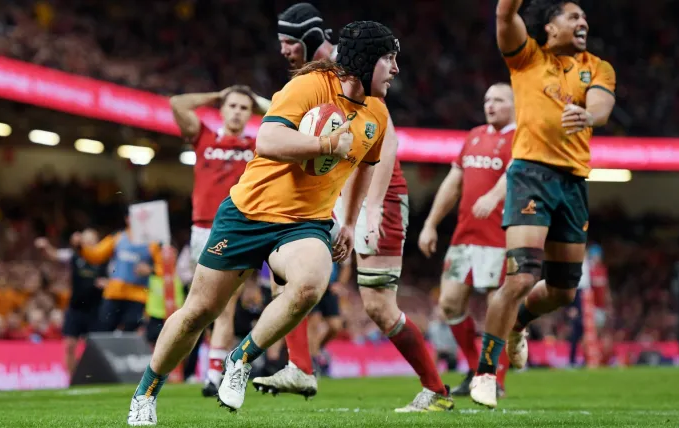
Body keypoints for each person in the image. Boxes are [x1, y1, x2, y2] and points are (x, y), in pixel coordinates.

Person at [127, 20, 399, 424]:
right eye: (389, 59)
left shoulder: (377, 112)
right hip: (247, 213)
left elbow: (365, 167)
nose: (395, 69)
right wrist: (327, 144)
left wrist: (347, 221)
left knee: (310, 283)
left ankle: (240, 359)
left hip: (304, 223)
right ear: (365, 60)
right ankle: (146, 392)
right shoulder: (309, 86)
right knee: (198, 312)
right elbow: (267, 141)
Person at [254, 5, 451, 413]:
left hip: (377, 191)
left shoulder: (351, 71)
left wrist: (373, 207)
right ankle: (301, 368)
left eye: (291, 41)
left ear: (310, 37)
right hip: (334, 192)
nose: (285, 51)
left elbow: (388, 140)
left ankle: (436, 389)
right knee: (286, 274)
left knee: (379, 305)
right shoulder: (312, 79)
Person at [470, 0, 616, 408]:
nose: (583, 21)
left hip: (573, 183)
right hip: (530, 175)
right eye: (573, 16)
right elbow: (504, 15)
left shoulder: (598, 66)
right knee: (519, 278)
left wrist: (588, 116)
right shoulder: (527, 58)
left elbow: (603, 105)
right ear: (550, 28)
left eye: (585, 16)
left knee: (563, 292)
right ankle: (485, 371)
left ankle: (519, 324)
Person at [418, 83, 516, 397]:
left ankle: (495, 378)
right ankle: (477, 369)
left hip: (501, 236)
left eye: (499, 100)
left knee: (496, 309)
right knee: (449, 303)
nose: (491, 104)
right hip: (465, 236)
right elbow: (453, 182)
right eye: (487, 99)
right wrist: (430, 223)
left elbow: (513, 175)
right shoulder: (473, 136)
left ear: (515, 104)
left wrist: (493, 196)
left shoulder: (523, 138)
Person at [168, 86, 260, 397]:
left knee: (225, 305)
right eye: (231, 105)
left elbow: (288, 113)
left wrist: (256, 100)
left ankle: (212, 375)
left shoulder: (258, 144)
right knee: (201, 307)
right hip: (202, 231)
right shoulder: (204, 137)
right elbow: (178, 101)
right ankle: (200, 368)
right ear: (221, 109)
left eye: (244, 108)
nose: (236, 111)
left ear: (251, 114)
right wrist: (217, 94)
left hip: (237, 230)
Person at [35, 229, 109, 378]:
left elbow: (115, 278)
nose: (87, 243)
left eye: (90, 241)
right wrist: (45, 246)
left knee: (94, 349)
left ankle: (93, 377)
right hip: (76, 308)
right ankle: (72, 379)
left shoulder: (104, 259)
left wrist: (107, 283)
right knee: (69, 345)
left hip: (95, 310)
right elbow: (54, 255)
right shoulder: (74, 256)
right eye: (85, 240)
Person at [77, 212, 162, 333]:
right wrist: (81, 247)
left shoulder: (153, 243)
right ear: (127, 218)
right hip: (114, 293)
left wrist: (151, 270)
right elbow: (96, 255)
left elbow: (164, 269)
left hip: (138, 295)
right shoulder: (118, 237)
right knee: (104, 329)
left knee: (130, 332)